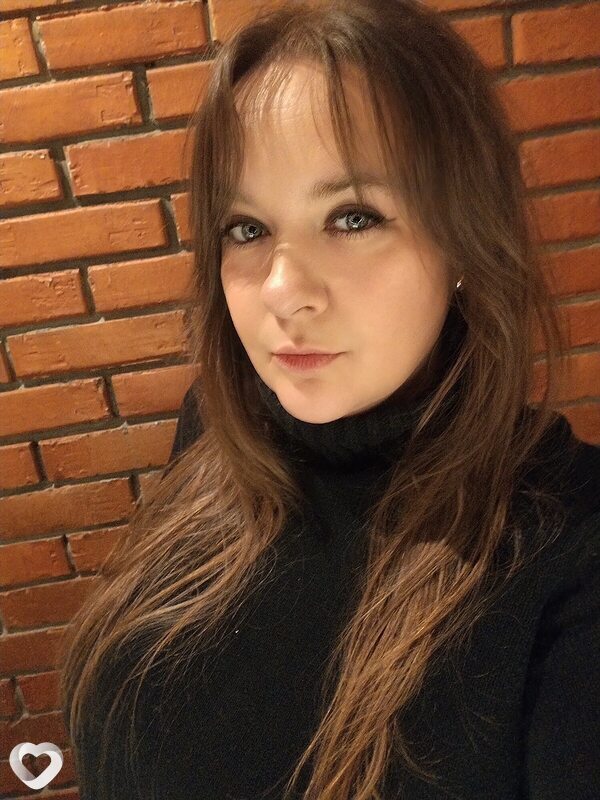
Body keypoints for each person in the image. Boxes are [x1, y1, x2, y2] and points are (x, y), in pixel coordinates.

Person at [59, 1, 600, 799]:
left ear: (463, 237)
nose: (283, 290)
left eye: (352, 217)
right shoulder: (215, 426)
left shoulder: (570, 544)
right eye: (246, 228)